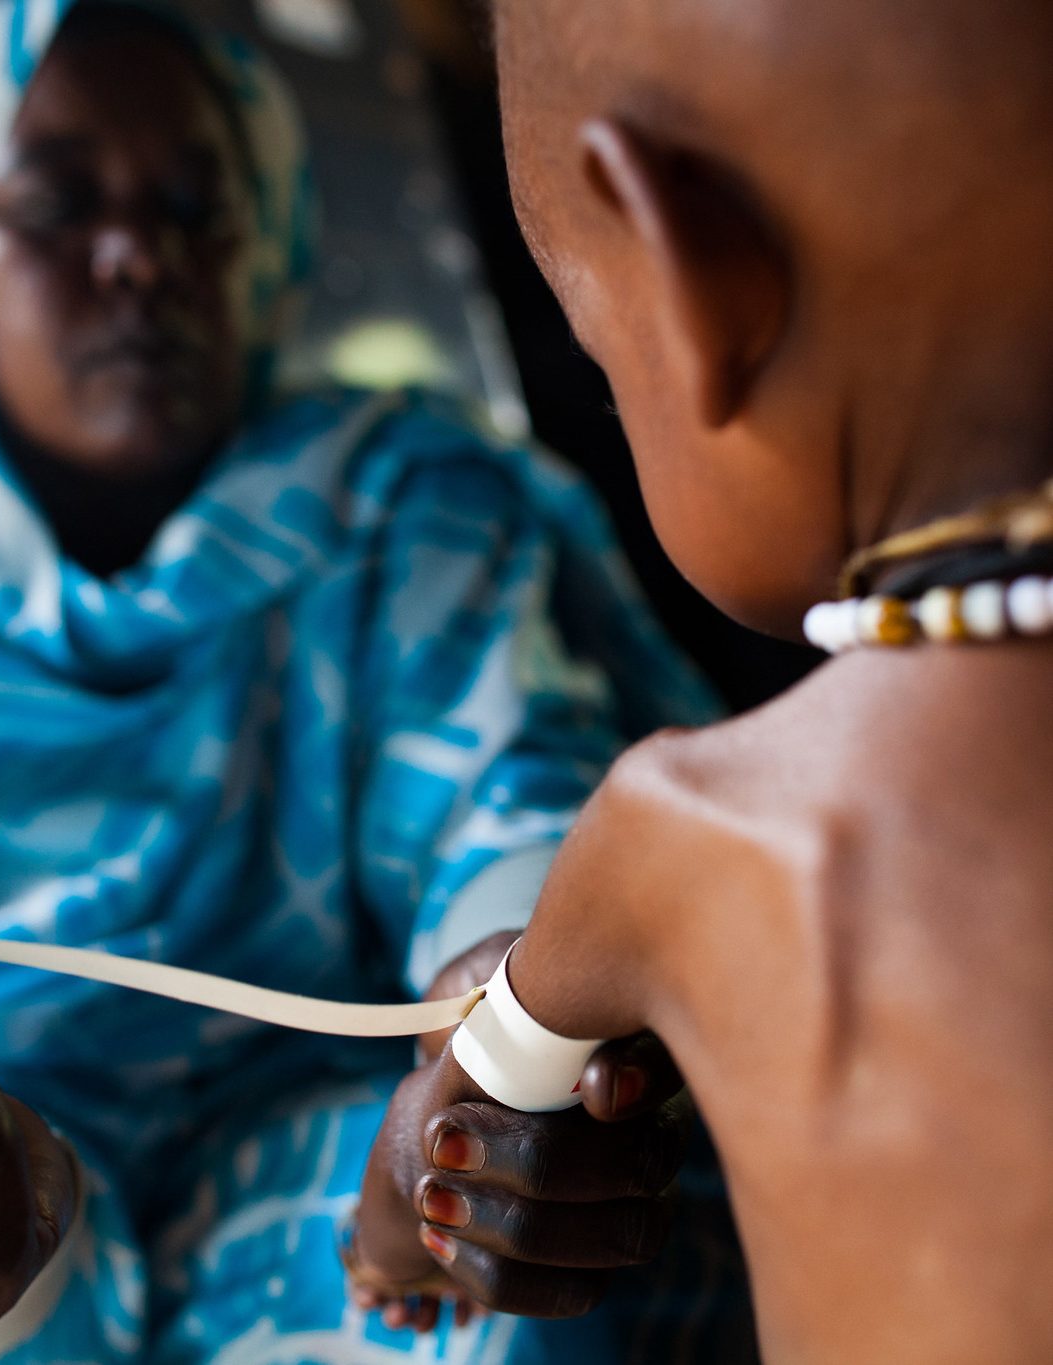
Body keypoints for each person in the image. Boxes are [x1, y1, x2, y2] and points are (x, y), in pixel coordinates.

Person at [0, 1, 755, 1361]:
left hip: (338, 1199)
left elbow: (512, 795)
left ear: (270, 248)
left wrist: (498, 1063)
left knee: (492, 1286)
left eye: (197, 205)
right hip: (6, 1265)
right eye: (56, 205)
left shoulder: (396, 505)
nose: (137, 256)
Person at [352, 1, 1053, 1361]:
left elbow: (455, 1125)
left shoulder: (692, 831)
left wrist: (391, 1233)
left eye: (609, 373)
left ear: (692, 286)